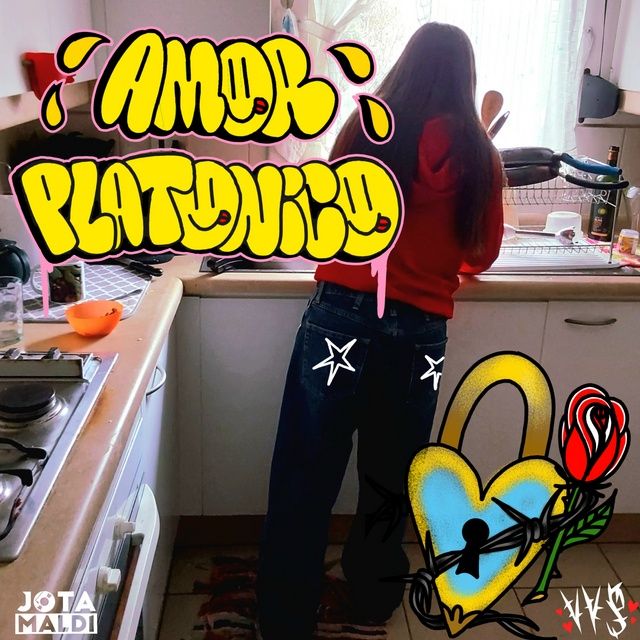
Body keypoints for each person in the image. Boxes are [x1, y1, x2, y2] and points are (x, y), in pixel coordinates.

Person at [256, 22, 504, 639]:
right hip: (419, 334)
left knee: (305, 468)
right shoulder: (480, 155)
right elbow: (481, 253)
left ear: (404, 67)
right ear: (466, 79)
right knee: (391, 475)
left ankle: (284, 615)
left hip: (340, 315)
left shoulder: (366, 130)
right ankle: (371, 599)